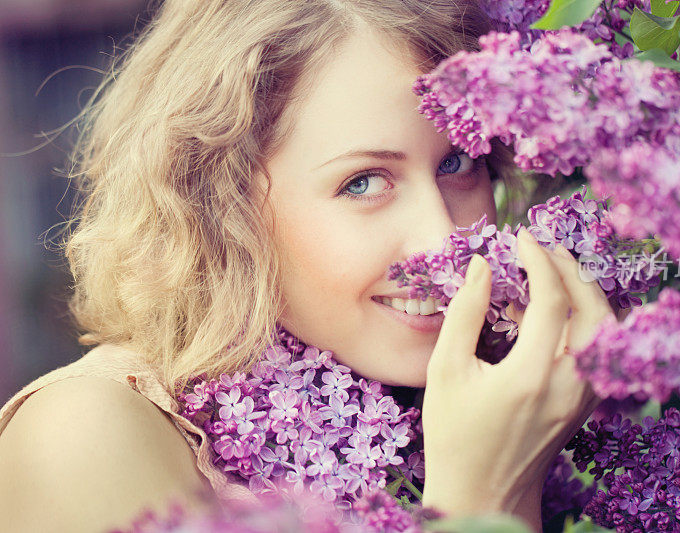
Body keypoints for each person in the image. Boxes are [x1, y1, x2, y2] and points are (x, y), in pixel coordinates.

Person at [0, 1, 615, 532]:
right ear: (220, 205)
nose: (443, 238)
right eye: (365, 181)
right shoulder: (86, 436)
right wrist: (483, 500)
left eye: (456, 165)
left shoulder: (438, 405)